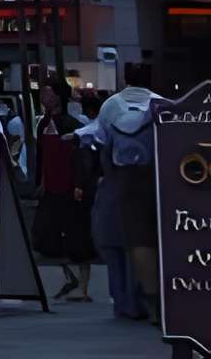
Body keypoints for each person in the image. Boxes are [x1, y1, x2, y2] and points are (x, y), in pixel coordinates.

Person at [79, 62, 159, 324]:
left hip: (118, 181)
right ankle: (152, 304)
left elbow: (99, 142)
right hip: (156, 181)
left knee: (116, 244)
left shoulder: (111, 105)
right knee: (148, 241)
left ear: (126, 78)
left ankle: (125, 303)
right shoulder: (162, 103)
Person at [30, 87, 95, 303]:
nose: (44, 98)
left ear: (59, 97)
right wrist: (42, 182)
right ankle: (69, 277)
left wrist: (79, 184)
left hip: (70, 187)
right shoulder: (42, 124)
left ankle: (83, 287)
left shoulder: (72, 124)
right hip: (51, 188)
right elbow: (43, 156)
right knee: (45, 237)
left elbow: (79, 157)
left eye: (49, 93)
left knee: (78, 239)